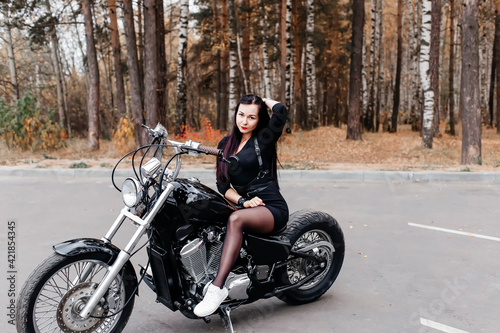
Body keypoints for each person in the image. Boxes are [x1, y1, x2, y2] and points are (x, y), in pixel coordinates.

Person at [193, 94, 289, 317]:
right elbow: (222, 186)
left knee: (235, 219)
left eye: (252, 117)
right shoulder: (225, 145)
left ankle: (217, 289)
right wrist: (243, 201)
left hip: (270, 207)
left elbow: (281, 111)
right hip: (247, 206)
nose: (244, 121)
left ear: (259, 119)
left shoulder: (263, 140)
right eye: (241, 114)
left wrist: (261, 99)